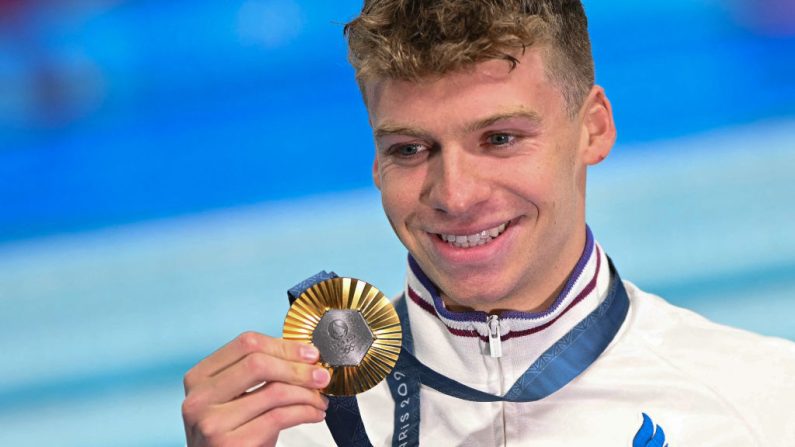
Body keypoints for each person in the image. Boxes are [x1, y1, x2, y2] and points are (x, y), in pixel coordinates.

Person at [181, 1, 795, 445]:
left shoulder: (764, 403)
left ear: (593, 129)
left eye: (500, 138)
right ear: (375, 160)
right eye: (410, 149)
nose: (455, 195)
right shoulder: (284, 430)